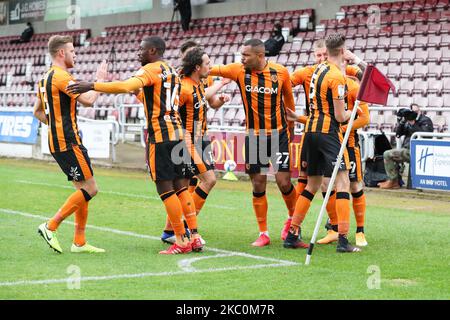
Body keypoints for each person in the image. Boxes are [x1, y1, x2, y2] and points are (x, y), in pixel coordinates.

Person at [67, 36, 202, 254]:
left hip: (160, 137)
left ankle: (181, 240)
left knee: (165, 188)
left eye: (141, 50)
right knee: (181, 187)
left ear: (152, 50)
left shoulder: (150, 69)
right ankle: (194, 235)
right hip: (178, 133)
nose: (138, 53)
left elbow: (126, 85)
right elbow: (160, 101)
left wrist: (92, 85)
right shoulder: (173, 72)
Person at [210, 38, 298, 247]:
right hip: (253, 136)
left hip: (279, 135)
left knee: (284, 182)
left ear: (260, 56)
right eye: (242, 54)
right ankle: (263, 233)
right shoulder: (239, 70)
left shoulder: (281, 73)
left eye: (246, 55)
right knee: (258, 183)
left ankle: (293, 225)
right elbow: (210, 69)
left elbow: (289, 101)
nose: (242, 58)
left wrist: (292, 129)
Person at [284, 33, 361, 253]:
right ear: (343, 50)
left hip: (310, 131)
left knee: (312, 185)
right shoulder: (336, 77)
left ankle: (292, 233)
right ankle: (344, 240)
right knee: (343, 182)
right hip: (328, 134)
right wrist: (351, 112)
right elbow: (339, 116)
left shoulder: (317, 70)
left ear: (326, 50)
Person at [34, 35, 108, 254]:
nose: (75, 54)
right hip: (68, 141)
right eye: (72, 51)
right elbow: (89, 100)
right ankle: (50, 226)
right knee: (91, 188)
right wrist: (100, 80)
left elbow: (36, 111)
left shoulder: (44, 78)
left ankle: (79, 242)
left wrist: (56, 123)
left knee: (81, 190)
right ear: (61, 53)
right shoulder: (61, 76)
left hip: (58, 140)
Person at [160, 41, 231, 245]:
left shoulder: (198, 84)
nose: (211, 66)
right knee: (207, 180)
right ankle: (186, 228)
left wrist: (221, 92)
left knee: (185, 187)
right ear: (197, 66)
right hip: (187, 142)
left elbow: (207, 100)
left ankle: (172, 231)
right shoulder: (182, 88)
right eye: (208, 63)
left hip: (200, 139)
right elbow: (170, 112)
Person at [315, 67, 370, 246]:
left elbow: (364, 118)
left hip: (349, 144)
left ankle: (360, 231)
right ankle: (333, 228)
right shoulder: (321, 80)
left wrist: (343, 130)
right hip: (328, 142)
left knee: (353, 186)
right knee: (325, 183)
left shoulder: (352, 84)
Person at [378, 104, 433, 189]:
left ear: (420, 111)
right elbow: (398, 134)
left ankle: (393, 181)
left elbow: (426, 136)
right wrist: (401, 121)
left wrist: (413, 123)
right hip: (407, 149)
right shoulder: (407, 120)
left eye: (416, 111)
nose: (414, 114)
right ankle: (393, 181)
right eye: (412, 112)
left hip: (419, 151)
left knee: (387, 154)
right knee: (387, 154)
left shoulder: (426, 120)